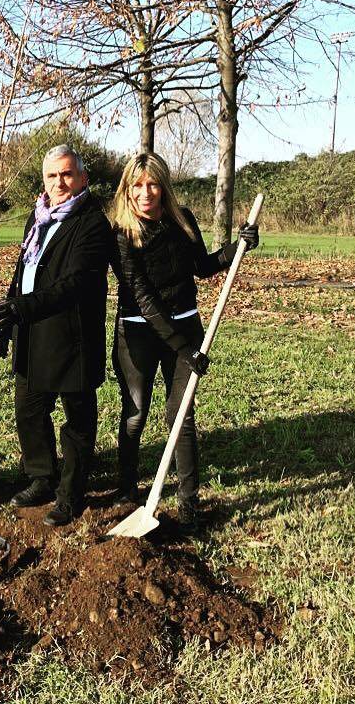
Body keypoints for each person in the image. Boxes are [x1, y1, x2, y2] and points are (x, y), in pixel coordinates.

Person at [109, 151, 258, 531]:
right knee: (136, 412)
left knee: (182, 416)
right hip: (139, 332)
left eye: (153, 183)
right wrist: (182, 347)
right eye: (138, 185)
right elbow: (142, 297)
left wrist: (235, 248)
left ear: (164, 186)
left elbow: (201, 267)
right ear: (127, 189)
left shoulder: (181, 219)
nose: (146, 193)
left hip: (186, 325)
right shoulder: (122, 234)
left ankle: (189, 502)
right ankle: (127, 488)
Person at [0, 145, 110, 527]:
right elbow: (24, 271)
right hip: (33, 331)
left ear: (83, 178)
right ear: (44, 180)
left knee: (77, 420)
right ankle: (41, 477)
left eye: (67, 174)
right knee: (29, 409)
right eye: (53, 175)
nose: (60, 182)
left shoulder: (91, 223)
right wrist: (8, 319)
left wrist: (21, 308)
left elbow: (78, 283)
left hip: (72, 336)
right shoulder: (36, 218)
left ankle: (71, 494)